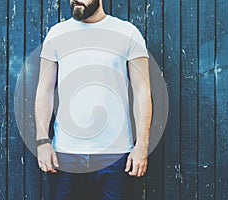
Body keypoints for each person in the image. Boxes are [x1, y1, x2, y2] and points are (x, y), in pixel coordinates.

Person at [35, 0, 152, 199]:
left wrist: (142, 145)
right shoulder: (57, 34)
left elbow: (142, 91)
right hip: (65, 154)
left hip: (115, 155)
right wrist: (42, 142)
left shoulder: (127, 33)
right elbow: (44, 91)